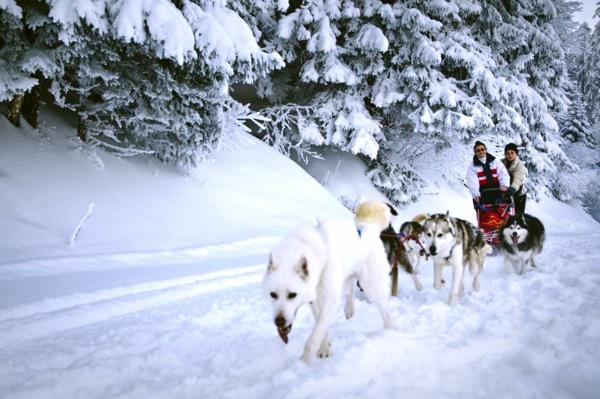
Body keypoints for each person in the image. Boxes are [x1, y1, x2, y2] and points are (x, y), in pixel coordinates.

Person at [466, 140, 510, 206]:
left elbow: (503, 173)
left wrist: (504, 185)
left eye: (482, 149)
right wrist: (476, 195)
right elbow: (472, 181)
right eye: (478, 150)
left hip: (497, 191)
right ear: (475, 153)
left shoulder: (495, 161)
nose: (481, 152)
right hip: (483, 194)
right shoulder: (473, 166)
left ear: (486, 150)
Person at [502, 142, 527, 214]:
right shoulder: (501, 162)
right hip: (506, 191)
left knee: (519, 215)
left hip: (519, 192)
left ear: (516, 154)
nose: (510, 155)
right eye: (507, 153)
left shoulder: (519, 165)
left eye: (512, 153)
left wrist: (513, 188)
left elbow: (518, 178)